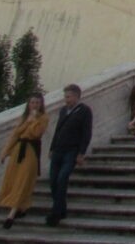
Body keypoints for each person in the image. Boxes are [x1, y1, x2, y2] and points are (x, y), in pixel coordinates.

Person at [0, 93, 49, 228]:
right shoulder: (24, 117)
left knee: (24, 179)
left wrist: (33, 121)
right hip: (18, 150)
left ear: (41, 104)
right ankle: (22, 208)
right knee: (14, 178)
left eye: (37, 102)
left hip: (31, 150)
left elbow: (35, 133)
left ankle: (11, 215)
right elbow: (16, 134)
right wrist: (5, 151)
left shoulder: (43, 118)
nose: (35, 105)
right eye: (32, 102)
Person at [45, 84, 92, 226]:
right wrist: (52, 147)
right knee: (53, 180)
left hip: (71, 150)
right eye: (65, 97)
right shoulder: (63, 111)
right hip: (59, 149)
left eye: (69, 97)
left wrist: (81, 152)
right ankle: (61, 208)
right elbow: (58, 129)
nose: (66, 100)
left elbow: (86, 132)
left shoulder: (84, 111)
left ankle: (56, 212)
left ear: (77, 96)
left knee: (62, 178)